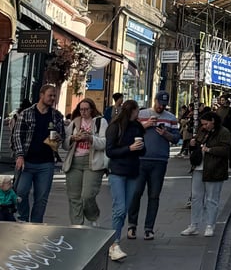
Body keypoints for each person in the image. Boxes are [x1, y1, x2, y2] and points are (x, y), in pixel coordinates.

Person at [127, 92, 180, 241]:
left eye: (164, 105)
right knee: (136, 193)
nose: (160, 107)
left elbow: (177, 138)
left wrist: (166, 134)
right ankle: (132, 225)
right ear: (154, 100)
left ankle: (149, 228)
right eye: (159, 103)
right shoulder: (141, 114)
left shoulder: (171, 118)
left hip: (160, 161)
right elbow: (130, 133)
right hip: (140, 159)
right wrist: (145, 125)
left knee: (154, 195)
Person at [10, 84, 65, 224]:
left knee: (41, 198)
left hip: (46, 163)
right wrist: (20, 156)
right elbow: (17, 136)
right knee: (21, 192)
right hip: (27, 162)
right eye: (50, 95)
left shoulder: (56, 115)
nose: (52, 98)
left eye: (54, 96)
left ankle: (36, 224)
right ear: (41, 95)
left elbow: (61, 136)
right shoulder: (26, 113)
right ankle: (23, 218)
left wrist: (56, 139)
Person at [182, 107, 231, 237]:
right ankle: (194, 225)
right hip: (198, 168)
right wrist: (192, 144)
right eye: (202, 124)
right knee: (196, 198)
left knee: (211, 199)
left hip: (214, 169)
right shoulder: (202, 131)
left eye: (206, 124)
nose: (204, 126)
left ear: (213, 121)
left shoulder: (224, 132)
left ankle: (210, 225)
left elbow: (226, 150)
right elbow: (197, 146)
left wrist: (210, 150)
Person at [104, 99, 144, 261]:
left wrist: (140, 148)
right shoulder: (115, 126)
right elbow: (109, 151)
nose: (138, 113)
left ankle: (115, 242)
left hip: (133, 171)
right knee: (119, 209)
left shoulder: (138, 126)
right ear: (132, 110)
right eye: (137, 110)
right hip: (117, 171)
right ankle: (114, 244)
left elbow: (143, 150)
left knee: (124, 209)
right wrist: (129, 148)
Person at [63, 96, 108, 228]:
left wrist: (90, 138)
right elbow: (65, 144)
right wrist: (73, 138)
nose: (83, 112)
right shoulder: (75, 122)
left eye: (86, 109)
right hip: (75, 161)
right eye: (81, 109)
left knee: (87, 195)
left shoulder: (100, 122)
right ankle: (77, 226)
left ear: (92, 109)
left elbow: (104, 142)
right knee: (74, 197)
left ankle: (93, 215)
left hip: (92, 162)